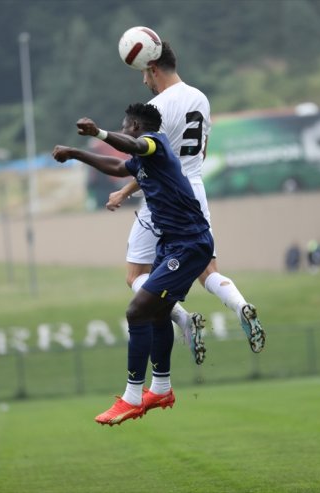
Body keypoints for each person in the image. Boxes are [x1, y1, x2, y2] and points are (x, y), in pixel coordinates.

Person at [53, 103, 214, 426]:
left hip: (189, 245)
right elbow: (117, 165)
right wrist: (76, 154)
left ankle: (131, 397)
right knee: (155, 311)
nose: (123, 130)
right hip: (174, 245)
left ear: (137, 126)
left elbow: (135, 145)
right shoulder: (143, 159)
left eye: (126, 126)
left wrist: (98, 133)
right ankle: (162, 389)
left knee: (136, 311)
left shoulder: (154, 142)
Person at [106, 40, 265, 361]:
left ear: (152, 68)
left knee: (136, 276)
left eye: (144, 75)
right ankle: (240, 304)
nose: (144, 82)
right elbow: (200, 152)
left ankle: (183, 318)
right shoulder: (200, 98)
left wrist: (124, 190)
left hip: (164, 199)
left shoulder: (160, 108)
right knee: (206, 268)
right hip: (196, 191)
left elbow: (156, 161)